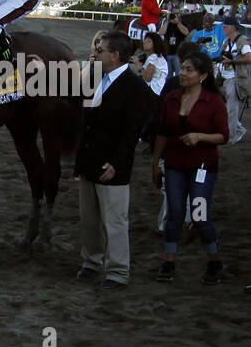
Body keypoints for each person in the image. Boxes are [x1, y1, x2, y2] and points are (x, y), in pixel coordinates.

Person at [75, 31, 151, 290]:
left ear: (115, 56)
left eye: (100, 51)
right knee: (89, 218)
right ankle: (91, 261)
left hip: (112, 166)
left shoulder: (134, 86)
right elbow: (75, 102)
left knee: (114, 221)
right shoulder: (98, 78)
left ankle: (118, 271)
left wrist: (117, 163)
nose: (95, 54)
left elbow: (132, 132)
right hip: (89, 162)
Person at [151, 52, 227, 284]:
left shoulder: (214, 102)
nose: (182, 73)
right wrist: (155, 162)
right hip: (174, 164)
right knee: (174, 213)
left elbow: (223, 136)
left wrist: (199, 136)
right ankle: (169, 261)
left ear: (202, 76)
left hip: (202, 165)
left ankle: (214, 260)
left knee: (200, 213)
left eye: (189, 70)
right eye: (182, 68)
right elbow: (162, 132)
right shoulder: (172, 98)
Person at [216, 18, 249, 145]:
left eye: (225, 26)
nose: (223, 28)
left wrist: (232, 61)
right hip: (225, 76)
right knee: (227, 107)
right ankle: (238, 129)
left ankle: (231, 136)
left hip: (235, 77)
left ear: (232, 27)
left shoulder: (242, 41)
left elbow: (249, 58)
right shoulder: (226, 41)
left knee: (231, 108)